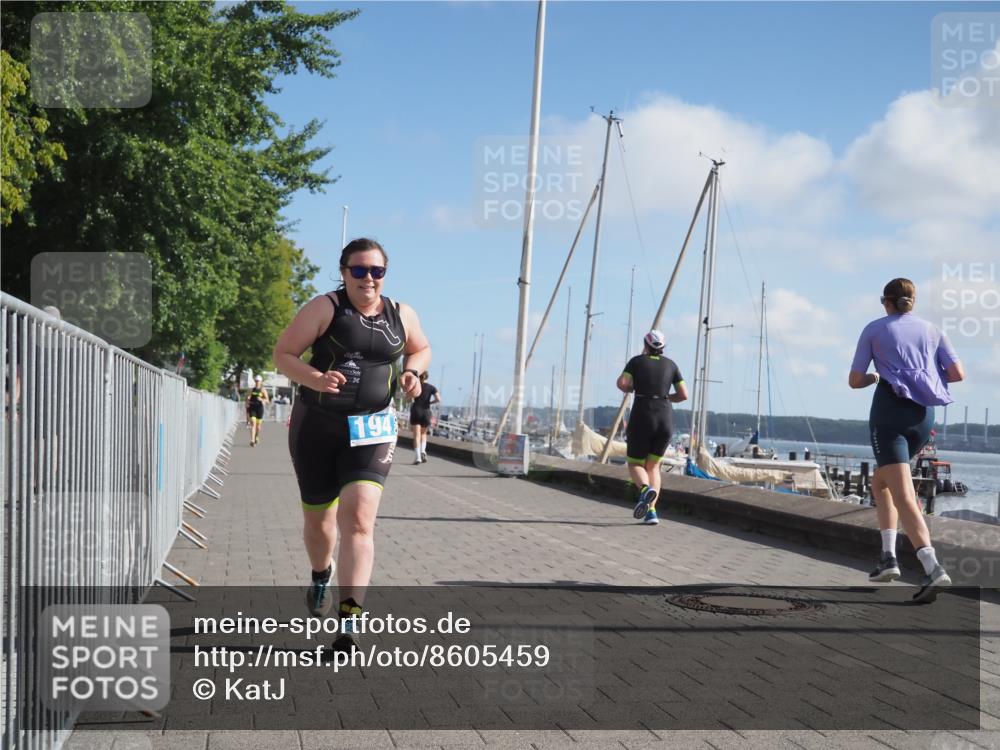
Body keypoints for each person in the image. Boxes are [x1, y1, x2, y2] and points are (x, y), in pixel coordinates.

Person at [273, 238, 430, 648]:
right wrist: (316, 379)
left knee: (359, 522)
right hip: (317, 427)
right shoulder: (325, 308)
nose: (368, 279)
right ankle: (320, 573)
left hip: (372, 430)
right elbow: (283, 354)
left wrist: (413, 373)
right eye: (359, 270)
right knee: (319, 524)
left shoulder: (402, 314)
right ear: (344, 273)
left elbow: (421, 348)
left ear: (385, 274)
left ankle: (348, 622)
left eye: (377, 271)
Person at [849, 277, 965, 603]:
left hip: (890, 416)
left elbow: (855, 380)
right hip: (923, 417)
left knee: (903, 494)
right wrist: (922, 374)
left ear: (885, 302)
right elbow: (957, 374)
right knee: (881, 483)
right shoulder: (933, 330)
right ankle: (888, 558)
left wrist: (877, 375)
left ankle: (932, 567)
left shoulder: (875, 329)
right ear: (913, 302)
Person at [616, 330, 688, 525]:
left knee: (635, 464)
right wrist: (666, 397)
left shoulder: (636, 362)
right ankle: (651, 513)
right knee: (654, 466)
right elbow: (684, 394)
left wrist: (635, 388)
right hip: (665, 419)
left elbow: (622, 383)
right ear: (662, 347)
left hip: (642, 417)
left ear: (646, 345)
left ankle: (645, 489)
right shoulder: (672, 365)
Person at [409, 371, 440, 464]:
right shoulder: (432, 387)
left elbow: (409, 397)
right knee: (423, 434)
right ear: (427, 377)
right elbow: (438, 399)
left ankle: (418, 457)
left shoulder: (416, 386)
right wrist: (430, 402)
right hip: (426, 411)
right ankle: (423, 451)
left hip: (416, 410)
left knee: (416, 436)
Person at [246, 375, 269, 446]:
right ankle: (252, 440)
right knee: (253, 423)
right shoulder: (251, 390)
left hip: (259, 408)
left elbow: (267, 400)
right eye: (256, 381)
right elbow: (247, 399)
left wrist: (262, 399)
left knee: (258, 427)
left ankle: (256, 436)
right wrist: (248, 401)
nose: (257, 382)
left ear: (261, 382)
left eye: (258, 381)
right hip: (252, 408)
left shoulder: (263, 390)